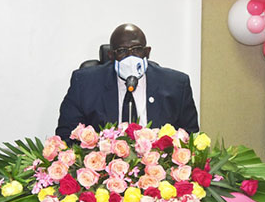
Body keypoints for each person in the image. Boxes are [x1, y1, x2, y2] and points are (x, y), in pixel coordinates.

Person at [55, 23, 199, 140]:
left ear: (147, 52)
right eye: (122, 51)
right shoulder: (85, 84)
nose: (131, 57)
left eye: (137, 49)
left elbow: (190, 138)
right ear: (111, 55)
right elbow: (66, 136)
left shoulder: (176, 85)